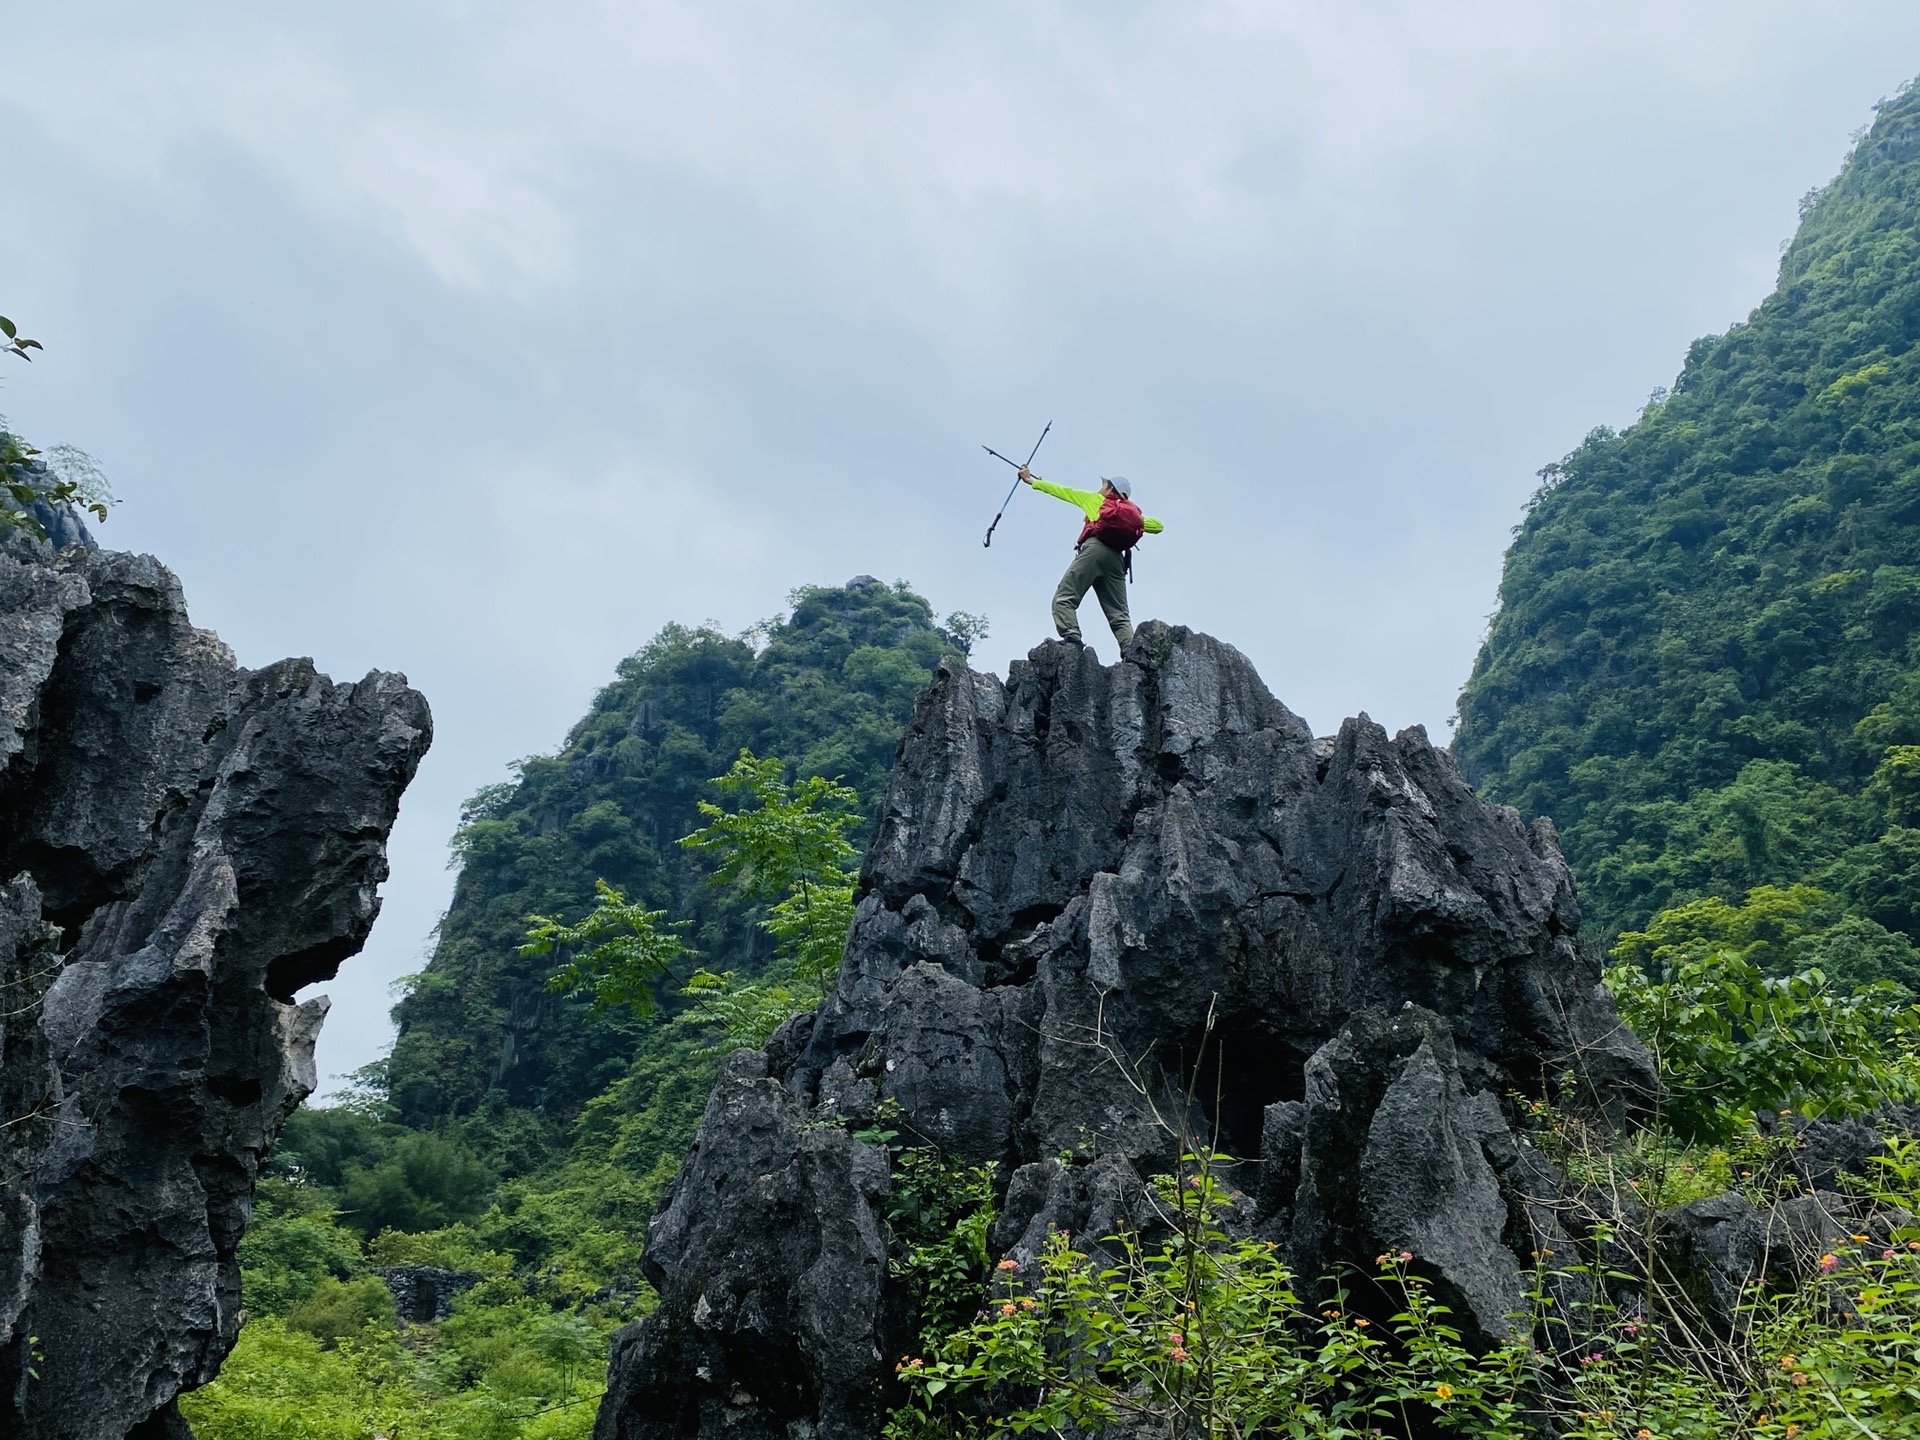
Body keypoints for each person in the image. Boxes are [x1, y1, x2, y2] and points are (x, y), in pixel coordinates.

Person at [1017, 465, 1163, 648]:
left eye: (1104, 485)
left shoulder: (1095, 500)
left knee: (1064, 597)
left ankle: (1072, 636)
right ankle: (1130, 650)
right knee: (1119, 614)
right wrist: (1138, 521)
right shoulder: (1133, 517)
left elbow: (1063, 491)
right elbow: (1159, 526)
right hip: (1116, 560)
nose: (1100, 488)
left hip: (1094, 550)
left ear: (1110, 489)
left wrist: (1031, 480)